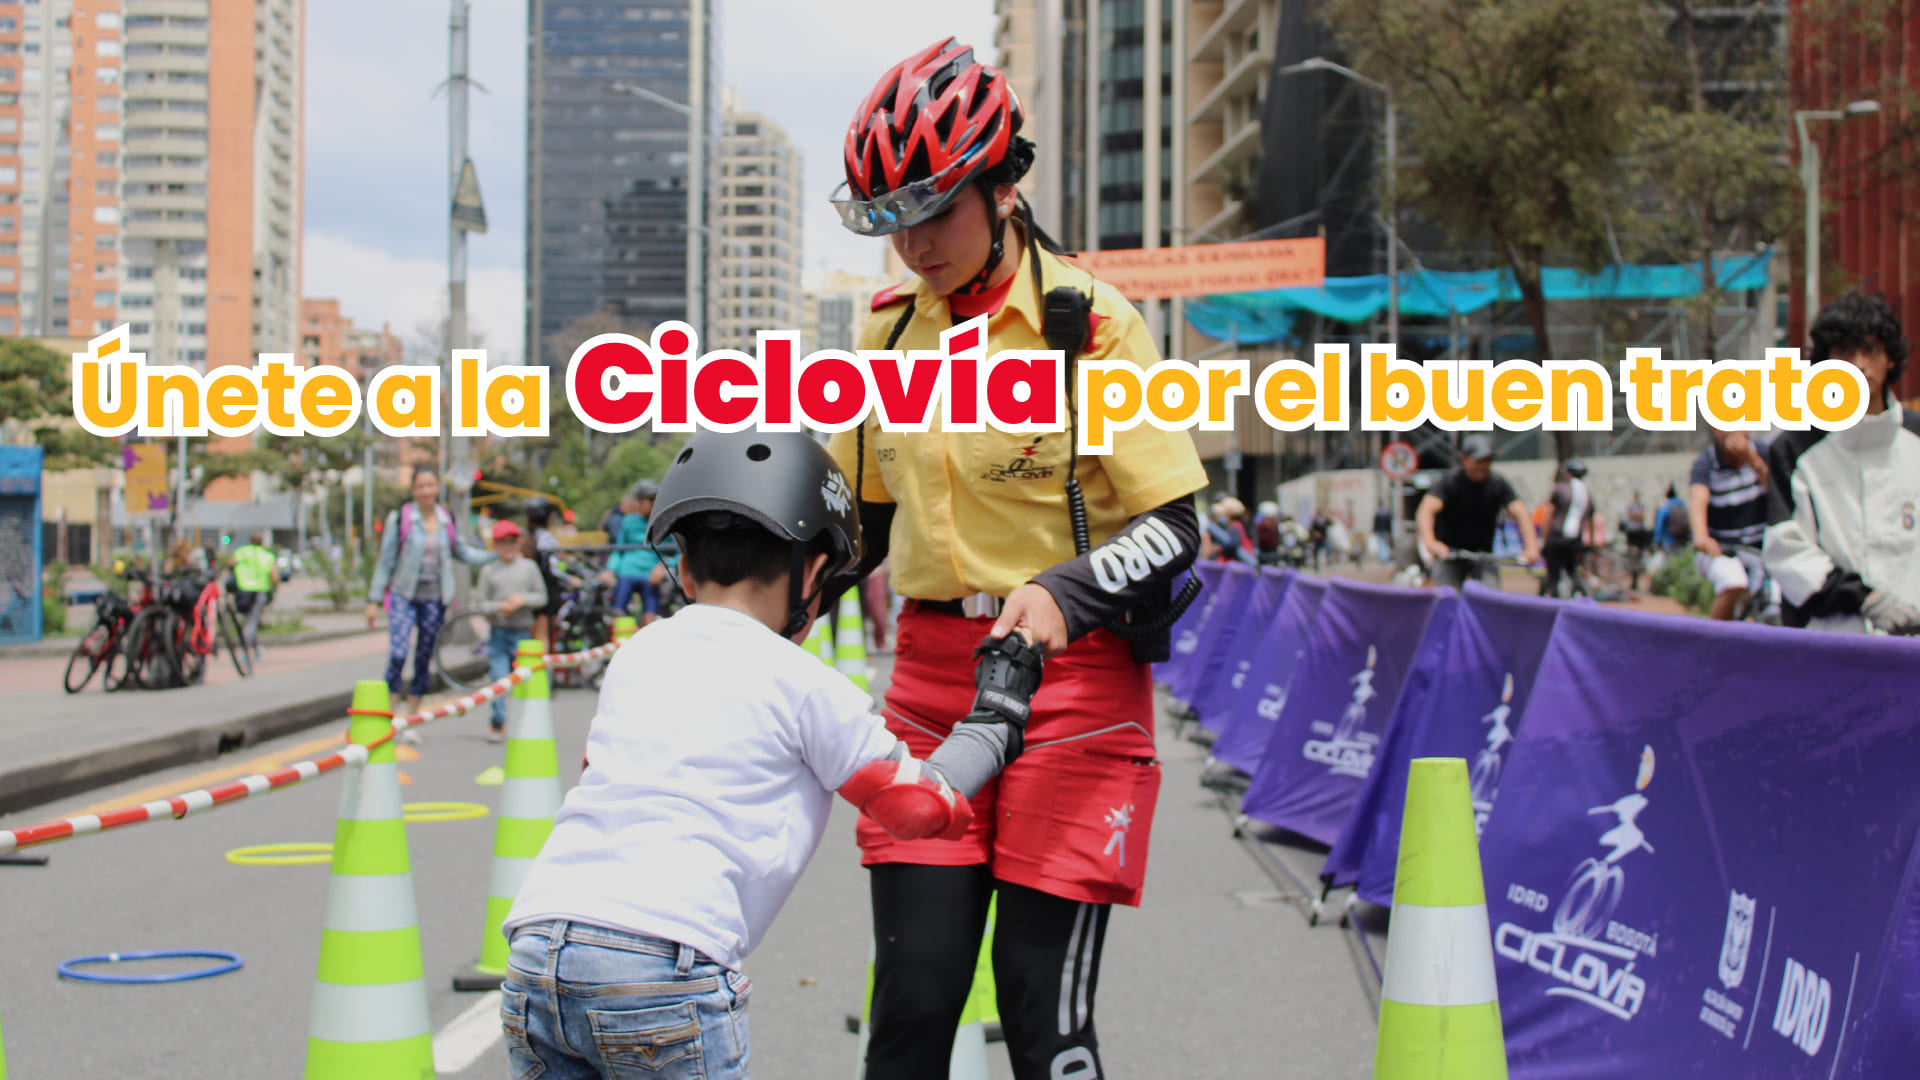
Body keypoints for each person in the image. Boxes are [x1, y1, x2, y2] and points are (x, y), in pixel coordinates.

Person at [827, 38, 1208, 1079]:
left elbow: (1177, 526)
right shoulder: (891, 340)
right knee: (911, 1002)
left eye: (935, 210)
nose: (913, 244)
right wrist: (722, 614)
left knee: (1043, 1016)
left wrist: (1058, 594)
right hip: (927, 691)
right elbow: (852, 523)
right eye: (890, 218)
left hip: (1075, 692)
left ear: (1002, 185)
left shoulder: (1090, 325)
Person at [499, 430, 1043, 1080]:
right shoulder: (805, 682)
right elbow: (918, 808)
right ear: (815, 571)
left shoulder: (638, 652)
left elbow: (597, 775)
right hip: (662, 965)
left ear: (686, 566)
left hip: (537, 947)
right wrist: (995, 718)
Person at [1765, 291, 1920, 633]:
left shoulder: (1916, 439)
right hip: (1831, 645)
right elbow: (1785, 550)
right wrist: (1863, 598)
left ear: (1890, 359)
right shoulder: (1794, 448)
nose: (1859, 364)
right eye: (1845, 352)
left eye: (1871, 350)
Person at [366, 466, 496, 717]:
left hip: (435, 599)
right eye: (421, 486)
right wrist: (373, 600)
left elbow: (463, 552)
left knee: (423, 657)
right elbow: (385, 562)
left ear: (437, 488)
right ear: (413, 490)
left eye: (431, 485)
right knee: (398, 654)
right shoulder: (400, 518)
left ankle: (411, 717)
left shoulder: (446, 519)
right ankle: (388, 716)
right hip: (404, 595)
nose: (426, 491)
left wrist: (495, 555)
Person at [1416, 434, 1541, 590]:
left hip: (1484, 555)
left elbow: (1520, 513)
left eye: (1487, 461)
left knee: (1491, 600)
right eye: (1479, 461)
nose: (1483, 466)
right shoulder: (1448, 482)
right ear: (1465, 459)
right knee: (1446, 598)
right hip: (1449, 554)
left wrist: (1531, 547)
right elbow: (1425, 511)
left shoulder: (1497, 483)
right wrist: (1432, 543)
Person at [472, 519, 547, 742]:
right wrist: (499, 607)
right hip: (498, 630)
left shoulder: (529, 567)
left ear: (518, 542)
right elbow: (480, 604)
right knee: (498, 677)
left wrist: (522, 600)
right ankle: (497, 722)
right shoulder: (488, 571)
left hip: (523, 632)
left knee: (526, 679)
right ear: (495, 545)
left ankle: (526, 722)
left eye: (511, 541)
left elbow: (542, 597)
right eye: (502, 542)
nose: (507, 546)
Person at [1688, 428, 1771, 620]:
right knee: (1732, 582)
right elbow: (1698, 501)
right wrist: (1702, 537)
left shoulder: (1763, 453)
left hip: (1763, 548)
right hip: (1724, 549)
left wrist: (1752, 460)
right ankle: (1713, 643)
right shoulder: (1706, 464)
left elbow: (1778, 493)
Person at [606, 481, 667, 625]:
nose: (637, 504)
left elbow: (675, 552)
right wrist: (610, 569)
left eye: (641, 500)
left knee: (650, 614)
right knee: (617, 613)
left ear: (653, 501)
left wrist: (663, 567)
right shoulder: (629, 520)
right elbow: (619, 548)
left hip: (650, 574)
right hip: (627, 572)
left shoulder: (664, 521)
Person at [1540, 458, 1595, 598]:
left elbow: (1548, 516)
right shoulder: (1588, 494)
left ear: (1567, 473)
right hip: (1575, 541)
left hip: (1557, 537)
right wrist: (1591, 544)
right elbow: (1591, 521)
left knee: (1553, 575)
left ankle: (1553, 601)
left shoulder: (1560, 488)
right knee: (1572, 571)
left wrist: (1544, 539)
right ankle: (1579, 592)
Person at [228, 531, 277, 657]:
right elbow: (274, 577)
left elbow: (231, 564)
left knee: (249, 620)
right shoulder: (267, 556)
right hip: (259, 591)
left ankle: (255, 648)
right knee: (252, 621)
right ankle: (245, 651)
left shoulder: (242, 552)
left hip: (242, 590)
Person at [1204, 496, 1255, 564]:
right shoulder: (1229, 527)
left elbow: (1233, 545)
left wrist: (1218, 548)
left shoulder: (1236, 526)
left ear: (1228, 515)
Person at [1620, 491, 1651, 590]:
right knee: (1631, 557)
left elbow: (1640, 515)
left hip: (1638, 534)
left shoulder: (1640, 506)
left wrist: (1634, 515)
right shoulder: (1631, 506)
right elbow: (1630, 515)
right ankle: (1632, 579)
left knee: (1638, 557)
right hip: (1632, 534)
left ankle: (1635, 579)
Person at [1654, 483, 1691, 549]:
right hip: (1684, 538)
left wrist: (1657, 541)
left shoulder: (1665, 508)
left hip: (1670, 540)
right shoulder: (1682, 505)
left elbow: (1659, 525)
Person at [1253, 501, 1283, 566]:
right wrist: (1255, 549)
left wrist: (1280, 547)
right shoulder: (1259, 527)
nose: (1269, 521)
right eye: (1267, 519)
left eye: (1271, 519)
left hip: (1273, 553)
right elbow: (1256, 539)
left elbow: (1279, 538)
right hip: (1262, 553)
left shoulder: (1276, 527)